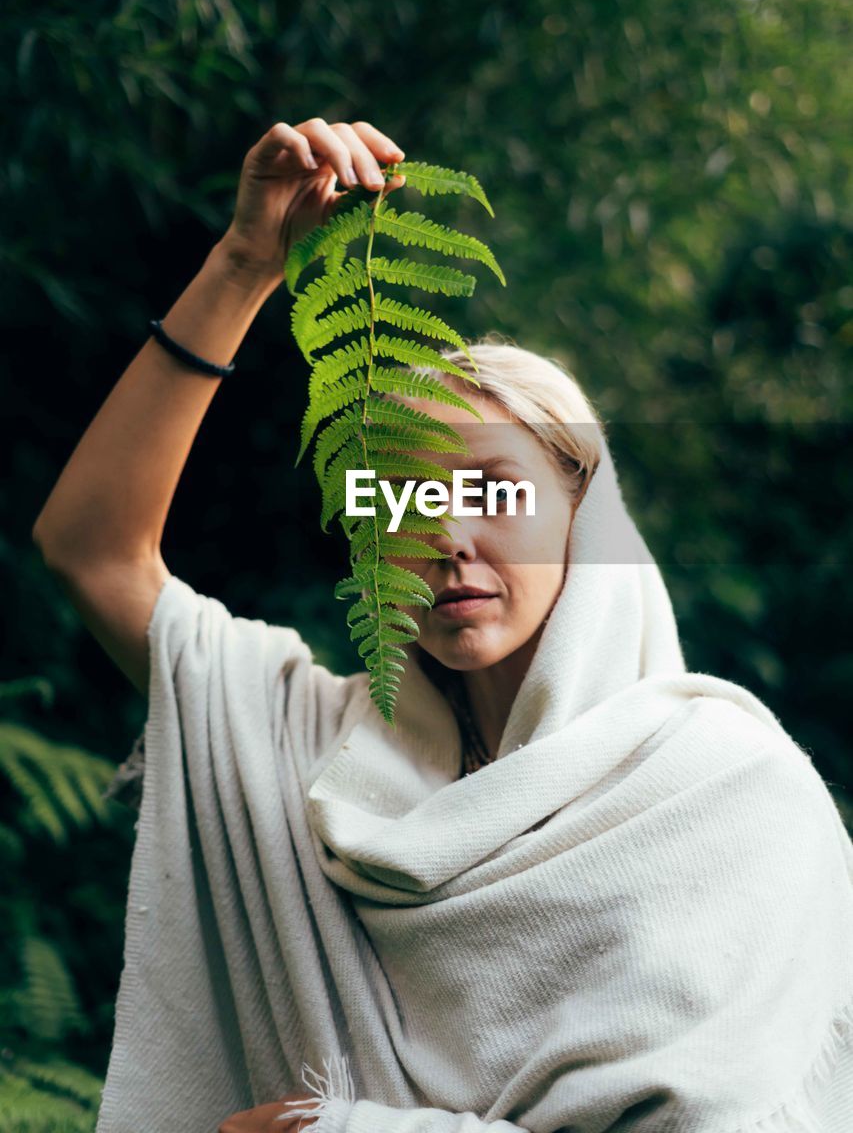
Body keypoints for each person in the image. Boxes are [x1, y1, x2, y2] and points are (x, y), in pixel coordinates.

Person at [32, 120, 853, 1133]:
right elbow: (92, 548)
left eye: (493, 492)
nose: (448, 537)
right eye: (403, 499)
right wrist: (245, 264)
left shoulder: (726, 789)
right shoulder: (305, 746)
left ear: (583, 511)